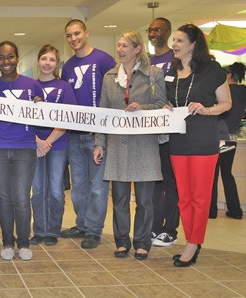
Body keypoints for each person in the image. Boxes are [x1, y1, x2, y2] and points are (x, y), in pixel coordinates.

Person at [92, 31, 169, 260]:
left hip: (145, 146)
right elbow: (103, 114)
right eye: (118, 45)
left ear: (137, 49)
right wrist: (99, 144)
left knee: (145, 201)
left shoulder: (154, 75)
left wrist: (143, 107)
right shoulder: (109, 77)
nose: (120, 49)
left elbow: (163, 106)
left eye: (125, 45)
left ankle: (143, 242)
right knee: (120, 200)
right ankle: (122, 242)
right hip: (117, 145)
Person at [166, 24, 231, 267]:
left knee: (200, 198)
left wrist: (207, 110)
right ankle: (191, 240)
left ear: (193, 44)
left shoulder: (212, 70)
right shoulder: (171, 72)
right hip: (178, 141)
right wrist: (165, 108)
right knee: (184, 197)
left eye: (180, 40)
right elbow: (168, 101)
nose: (174, 44)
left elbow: (226, 103)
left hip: (204, 139)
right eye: (174, 40)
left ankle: (193, 242)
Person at [0, 41, 43, 260]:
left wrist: (40, 105)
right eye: (1, 57)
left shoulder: (32, 85)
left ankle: (24, 243)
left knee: (21, 198)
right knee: (5, 197)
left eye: (9, 57)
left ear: (16, 58)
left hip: (24, 149)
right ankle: (8, 242)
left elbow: (43, 118)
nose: (5, 61)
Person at [60, 19, 116, 249]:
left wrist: (103, 126)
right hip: (74, 134)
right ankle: (82, 224)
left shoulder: (104, 60)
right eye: (69, 35)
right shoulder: (67, 66)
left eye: (77, 33)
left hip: (97, 136)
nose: (74, 39)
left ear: (86, 33)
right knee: (79, 185)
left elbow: (113, 92)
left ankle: (94, 230)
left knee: (97, 186)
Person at [30, 44, 77, 247]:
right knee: (38, 189)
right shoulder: (30, 87)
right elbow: (24, 118)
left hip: (57, 145)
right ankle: (39, 230)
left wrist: (48, 141)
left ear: (56, 64)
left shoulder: (64, 87)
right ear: (38, 61)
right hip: (34, 144)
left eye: (51, 60)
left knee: (56, 189)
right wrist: (37, 141)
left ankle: (53, 230)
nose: (47, 63)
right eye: (44, 59)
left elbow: (68, 118)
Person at [147, 17, 180, 247]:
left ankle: (170, 228)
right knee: (154, 182)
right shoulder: (146, 62)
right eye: (150, 29)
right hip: (149, 133)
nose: (153, 33)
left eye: (157, 29)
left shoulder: (176, 59)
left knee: (170, 181)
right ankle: (154, 226)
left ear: (167, 32)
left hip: (171, 133)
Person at [210, 62, 246, 220]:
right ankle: (236, 210)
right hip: (232, 139)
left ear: (228, 75)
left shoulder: (226, 93)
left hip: (219, 136)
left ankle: (211, 210)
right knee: (227, 174)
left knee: (213, 174)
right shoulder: (243, 93)